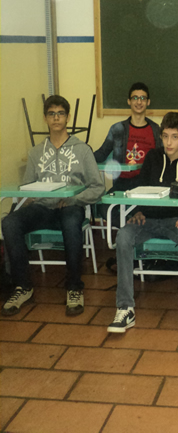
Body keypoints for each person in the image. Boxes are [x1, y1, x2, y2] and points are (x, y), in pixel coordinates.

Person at [2, 95, 104, 317]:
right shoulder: (35, 152)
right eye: (51, 114)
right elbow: (28, 188)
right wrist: (23, 202)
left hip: (71, 207)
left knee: (71, 221)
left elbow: (98, 187)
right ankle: (22, 287)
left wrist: (75, 199)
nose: (56, 118)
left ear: (68, 117)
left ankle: (74, 287)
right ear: (45, 118)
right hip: (42, 208)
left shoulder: (82, 150)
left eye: (60, 113)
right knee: (9, 223)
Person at [108, 112, 178, 338]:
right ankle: (125, 308)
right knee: (123, 236)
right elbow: (141, 187)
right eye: (165, 136)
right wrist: (138, 210)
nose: (169, 142)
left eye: (175, 137)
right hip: (147, 219)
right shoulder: (152, 157)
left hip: (174, 221)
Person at [94, 82, 161, 191]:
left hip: (147, 184)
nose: (139, 102)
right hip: (122, 183)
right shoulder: (117, 129)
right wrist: (83, 157)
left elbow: (162, 158)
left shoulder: (156, 130)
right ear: (129, 101)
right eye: (135, 98)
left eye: (143, 98)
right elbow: (102, 153)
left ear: (148, 102)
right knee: (105, 202)